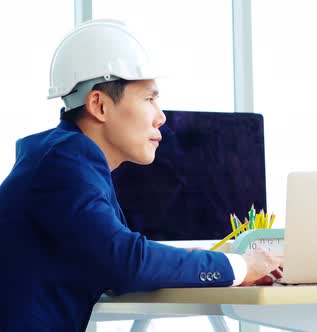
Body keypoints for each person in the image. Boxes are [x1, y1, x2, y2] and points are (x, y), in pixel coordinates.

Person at [0, 20, 281, 331]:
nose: (161, 117)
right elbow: (126, 263)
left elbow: (117, 253)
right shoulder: (64, 165)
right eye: (150, 98)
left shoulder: (64, 159)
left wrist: (195, 260)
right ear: (99, 104)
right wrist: (240, 266)